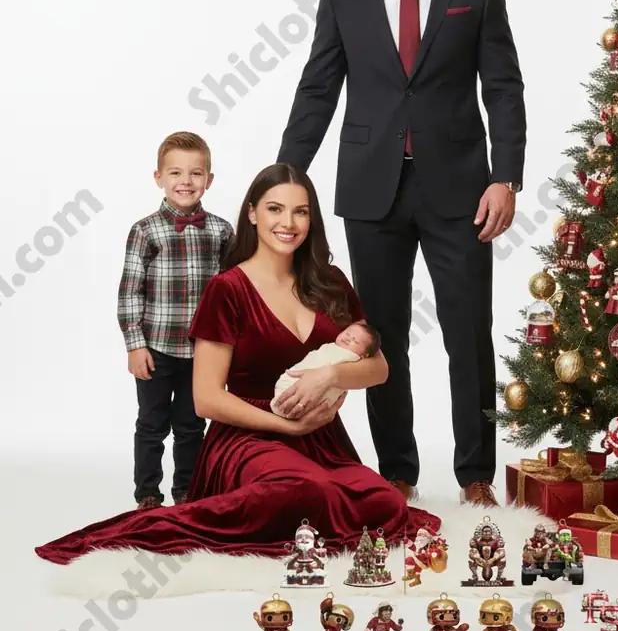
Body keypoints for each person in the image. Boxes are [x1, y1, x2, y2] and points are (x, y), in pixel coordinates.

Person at [277, 0, 527, 507]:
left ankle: (476, 475)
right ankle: (397, 473)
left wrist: (506, 177)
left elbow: (503, 86)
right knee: (378, 336)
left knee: (467, 333)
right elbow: (319, 86)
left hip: (462, 190)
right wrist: (286, 174)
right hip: (371, 188)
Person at [35, 163, 440, 565]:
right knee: (304, 491)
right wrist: (286, 426)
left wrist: (331, 374)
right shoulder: (226, 288)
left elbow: (379, 369)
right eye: (275, 209)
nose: (288, 223)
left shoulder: (330, 281)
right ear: (252, 214)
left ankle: (314, 504)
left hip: (322, 438)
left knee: (385, 502)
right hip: (246, 439)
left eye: (300, 211)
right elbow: (206, 399)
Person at [119, 131, 234, 510]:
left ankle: (188, 490)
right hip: (156, 348)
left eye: (195, 173)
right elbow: (130, 291)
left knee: (191, 425)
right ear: (159, 178)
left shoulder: (221, 231)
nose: (186, 181)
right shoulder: (145, 230)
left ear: (209, 180)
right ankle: (148, 494)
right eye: (175, 173)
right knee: (151, 425)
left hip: (202, 352)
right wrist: (135, 345)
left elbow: (231, 291)